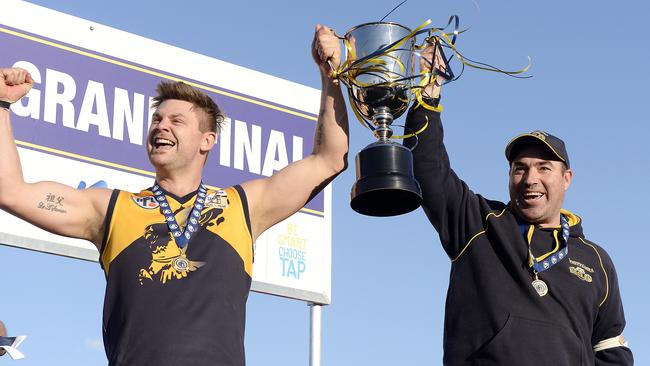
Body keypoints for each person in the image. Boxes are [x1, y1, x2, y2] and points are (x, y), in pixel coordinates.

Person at [0, 25, 347, 366]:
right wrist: (1, 103)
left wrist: (330, 72)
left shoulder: (244, 206)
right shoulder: (111, 208)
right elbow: (10, 190)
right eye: (157, 119)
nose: (160, 126)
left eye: (176, 120)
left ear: (206, 141)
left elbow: (330, 159)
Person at [402, 42, 633, 365]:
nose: (530, 179)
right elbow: (427, 170)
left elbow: (611, 351)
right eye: (519, 168)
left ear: (566, 178)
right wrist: (428, 94)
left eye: (543, 168)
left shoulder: (597, 261)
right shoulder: (478, 223)